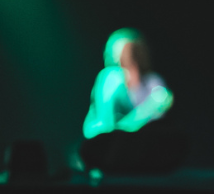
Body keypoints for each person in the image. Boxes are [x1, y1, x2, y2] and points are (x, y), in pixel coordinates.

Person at [80, 29, 188, 175]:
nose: (130, 56)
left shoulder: (153, 82)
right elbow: (107, 126)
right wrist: (148, 109)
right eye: (125, 51)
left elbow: (157, 125)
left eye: (134, 51)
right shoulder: (110, 79)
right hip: (107, 143)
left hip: (137, 147)